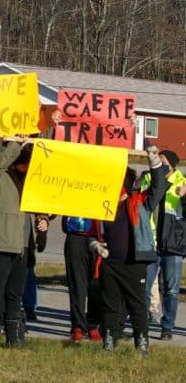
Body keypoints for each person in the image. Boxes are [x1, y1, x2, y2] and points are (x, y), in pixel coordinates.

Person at [0, 119, 48, 348]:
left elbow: (41, 206)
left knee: (15, 295)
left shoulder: (29, 183)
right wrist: (15, 141)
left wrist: (43, 219)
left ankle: (14, 339)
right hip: (1, 243)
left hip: (22, 245)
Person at [98, 148, 166, 356]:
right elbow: (95, 232)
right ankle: (109, 343)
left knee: (137, 306)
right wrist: (95, 245)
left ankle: (142, 345)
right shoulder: (104, 207)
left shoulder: (141, 203)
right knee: (110, 305)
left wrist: (154, 163)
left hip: (135, 264)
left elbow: (158, 187)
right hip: (111, 264)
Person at [140, 150, 186, 341]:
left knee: (171, 289)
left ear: (173, 165)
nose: (159, 163)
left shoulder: (182, 183)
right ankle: (142, 322)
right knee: (144, 286)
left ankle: (167, 326)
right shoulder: (148, 178)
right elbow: (141, 203)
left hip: (173, 244)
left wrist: (184, 197)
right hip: (150, 241)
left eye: (164, 161)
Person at [62, 216, 104, 343]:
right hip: (75, 233)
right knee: (77, 284)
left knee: (97, 285)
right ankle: (78, 326)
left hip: (99, 236)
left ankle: (93, 324)